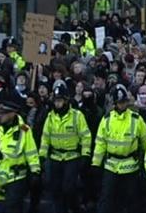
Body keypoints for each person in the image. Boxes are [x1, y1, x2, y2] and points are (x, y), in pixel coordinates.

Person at [92, 84, 146, 213]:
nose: (122, 105)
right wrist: (96, 164)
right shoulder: (107, 120)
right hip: (111, 166)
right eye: (119, 103)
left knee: (132, 201)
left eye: (124, 102)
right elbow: (100, 143)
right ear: (114, 103)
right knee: (106, 199)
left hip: (131, 166)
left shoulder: (136, 119)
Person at [39, 84, 91, 213]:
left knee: (68, 188)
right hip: (55, 157)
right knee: (55, 189)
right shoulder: (51, 117)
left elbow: (85, 136)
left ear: (66, 100)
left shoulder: (77, 116)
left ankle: (75, 207)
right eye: (56, 100)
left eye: (60, 100)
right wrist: (42, 155)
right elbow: (45, 138)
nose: (57, 104)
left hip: (71, 157)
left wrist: (85, 154)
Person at [0, 95, 40, 213]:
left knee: (13, 208)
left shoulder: (24, 130)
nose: (0, 115)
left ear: (12, 113)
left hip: (15, 178)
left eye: (3, 113)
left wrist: (35, 171)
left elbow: (31, 152)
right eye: (0, 113)